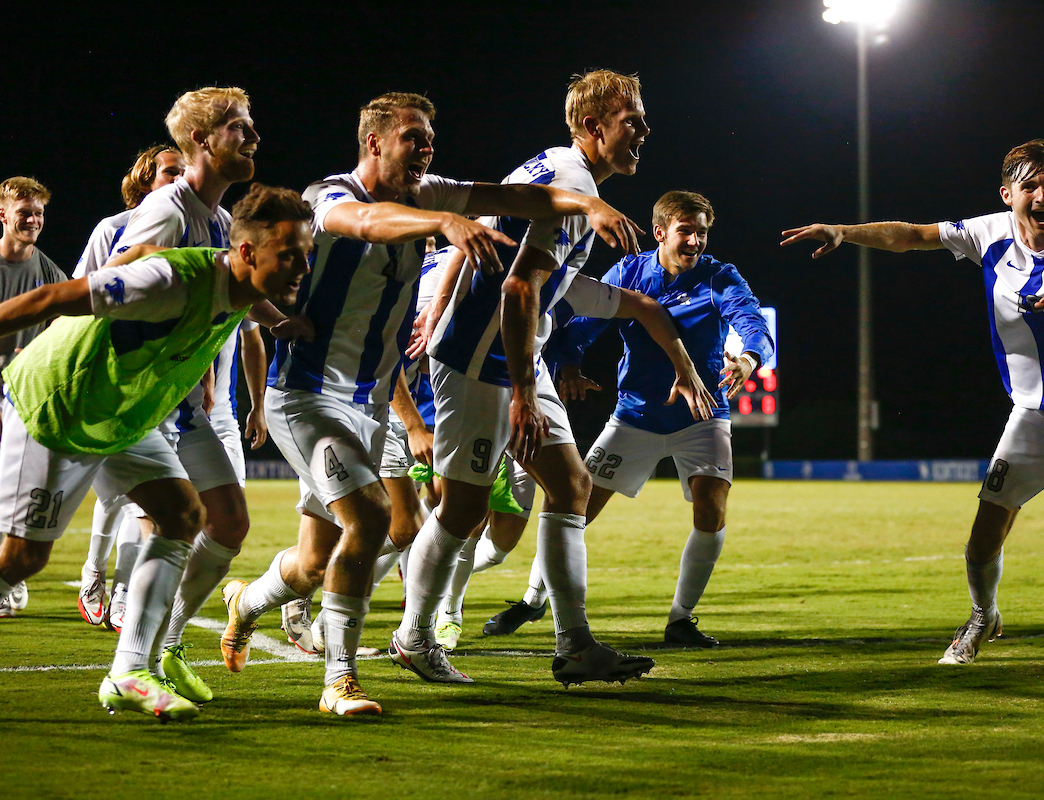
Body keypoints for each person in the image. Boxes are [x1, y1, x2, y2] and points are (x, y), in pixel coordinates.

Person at [220, 90, 645, 716]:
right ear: (374, 142)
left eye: (428, 138)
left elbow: (511, 198)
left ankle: (245, 603)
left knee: (315, 559)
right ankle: (342, 679)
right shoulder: (330, 195)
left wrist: (586, 202)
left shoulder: (431, 191)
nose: (427, 148)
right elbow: (363, 224)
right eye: (413, 137)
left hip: (366, 401)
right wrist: (442, 222)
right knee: (371, 521)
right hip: (309, 393)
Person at [781, 138, 1044, 686]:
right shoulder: (988, 233)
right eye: (1031, 187)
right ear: (1008, 195)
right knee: (981, 542)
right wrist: (843, 232)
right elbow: (912, 235)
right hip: (1033, 416)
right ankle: (983, 616)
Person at [398, 70, 716, 688]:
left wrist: (443, 305)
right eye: (633, 122)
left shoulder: (552, 164)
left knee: (570, 487)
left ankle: (574, 646)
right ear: (593, 128)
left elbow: (493, 245)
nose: (644, 132)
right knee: (462, 509)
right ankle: (413, 637)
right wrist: (520, 391)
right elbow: (519, 288)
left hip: (508, 352)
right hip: (483, 360)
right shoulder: (573, 187)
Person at [0, 183, 314, 721]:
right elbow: (54, 298)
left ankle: (128, 672)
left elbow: (256, 310)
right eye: (288, 255)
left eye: (305, 254)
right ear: (245, 253)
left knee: (183, 515)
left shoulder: (240, 293)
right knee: (21, 560)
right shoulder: (173, 278)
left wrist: (291, 324)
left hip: (124, 413)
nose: (301, 267)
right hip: (60, 406)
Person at [485, 191, 773, 648]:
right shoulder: (630, 273)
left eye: (702, 232)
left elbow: (751, 319)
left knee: (712, 512)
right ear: (660, 232)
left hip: (703, 414)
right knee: (573, 507)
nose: (696, 240)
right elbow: (580, 324)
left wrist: (749, 358)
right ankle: (533, 600)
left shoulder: (720, 276)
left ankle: (681, 619)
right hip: (634, 417)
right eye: (686, 231)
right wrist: (570, 364)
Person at [89, 87, 298, 707]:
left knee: (227, 522)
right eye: (239, 128)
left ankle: (161, 649)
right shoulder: (168, 208)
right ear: (202, 141)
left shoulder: (216, 218)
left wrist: (283, 322)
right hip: (131, 396)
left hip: (176, 400)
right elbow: (114, 284)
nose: (253, 138)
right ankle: (134, 661)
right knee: (24, 552)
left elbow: (221, 284)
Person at [73, 143, 187, 630]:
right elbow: (82, 293)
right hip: (113, 382)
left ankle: (122, 589)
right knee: (115, 495)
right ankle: (94, 572)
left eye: (184, 172)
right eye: (169, 172)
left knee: (149, 499)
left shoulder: (194, 231)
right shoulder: (112, 231)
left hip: (164, 386)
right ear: (144, 181)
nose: (179, 180)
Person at [0, 176, 67, 618]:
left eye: (39, 212)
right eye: (25, 211)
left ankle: (7, 580)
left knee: (14, 493)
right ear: (2, 215)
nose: (33, 220)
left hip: (22, 399)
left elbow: (67, 328)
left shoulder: (49, 271)